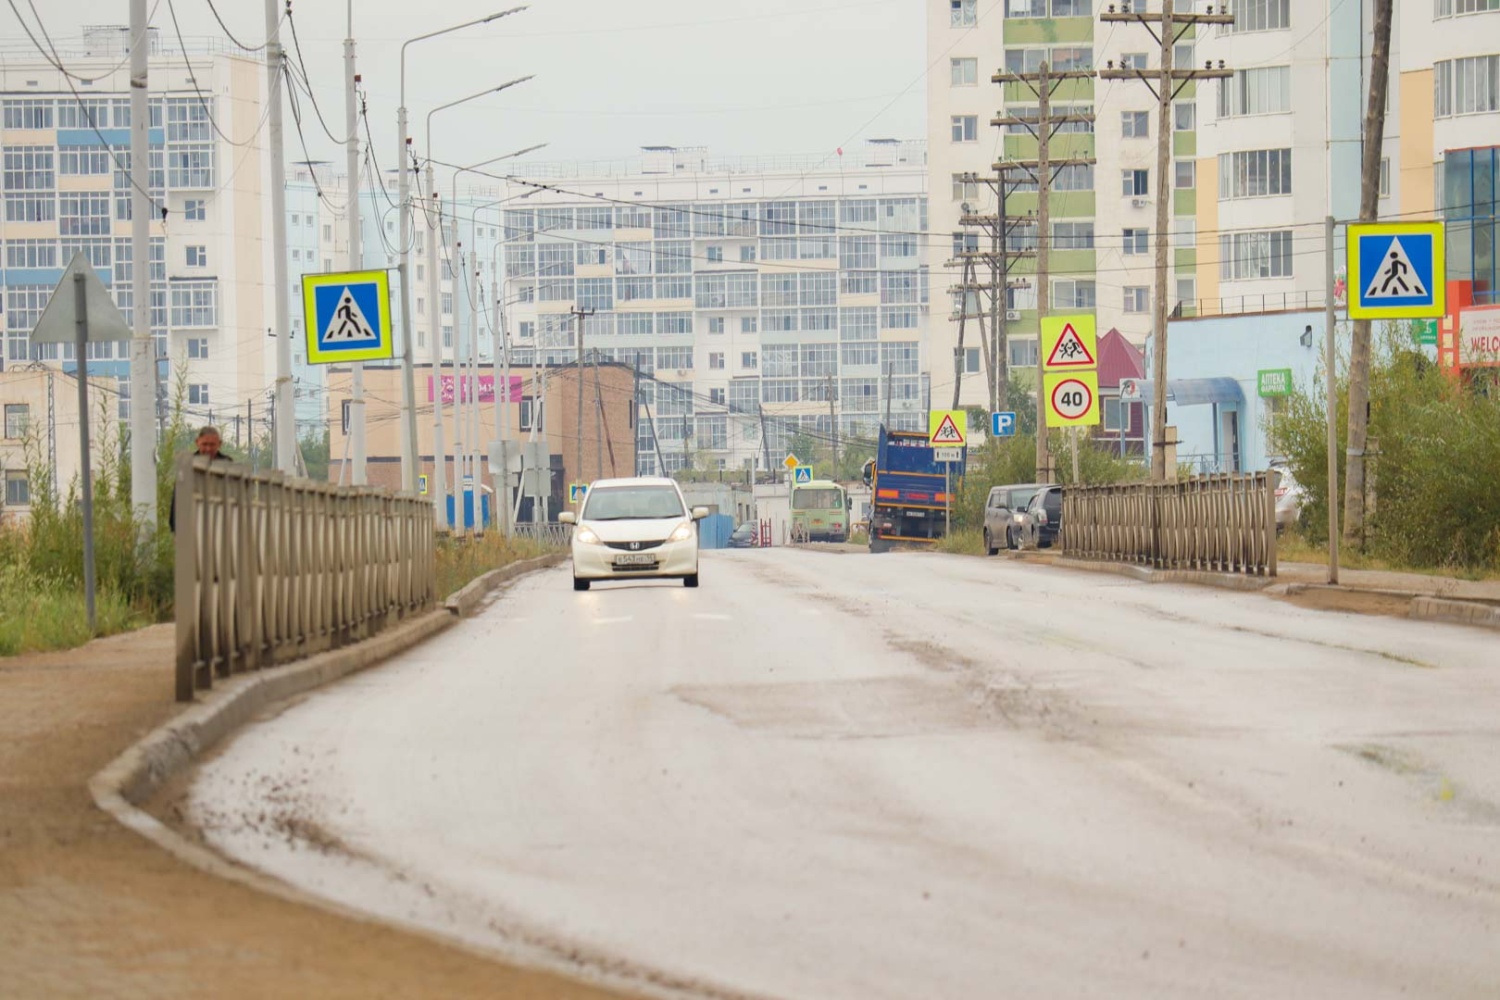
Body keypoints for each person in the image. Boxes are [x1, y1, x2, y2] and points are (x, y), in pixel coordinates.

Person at [169, 426, 233, 532]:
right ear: (197, 442)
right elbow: (178, 498)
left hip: (221, 525)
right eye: (205, 444)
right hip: (192, 524)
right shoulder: (188, 464)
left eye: (212, 445)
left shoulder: (227, 464)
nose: (208, 449)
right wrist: (176, 528)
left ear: (219, 444)